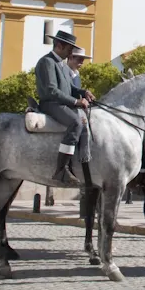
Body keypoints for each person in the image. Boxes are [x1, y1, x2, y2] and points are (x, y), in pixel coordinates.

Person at [34, 30, 95, 185]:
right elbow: (52, 90)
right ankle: (61, 169)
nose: (71, 52)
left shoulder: (61, 65)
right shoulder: (47, 62)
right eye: (69, 49)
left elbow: (69, 89)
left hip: (61, 103)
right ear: (59, 46)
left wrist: (83, 92)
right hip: (51, 104)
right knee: (76, 122)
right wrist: (76, 102)